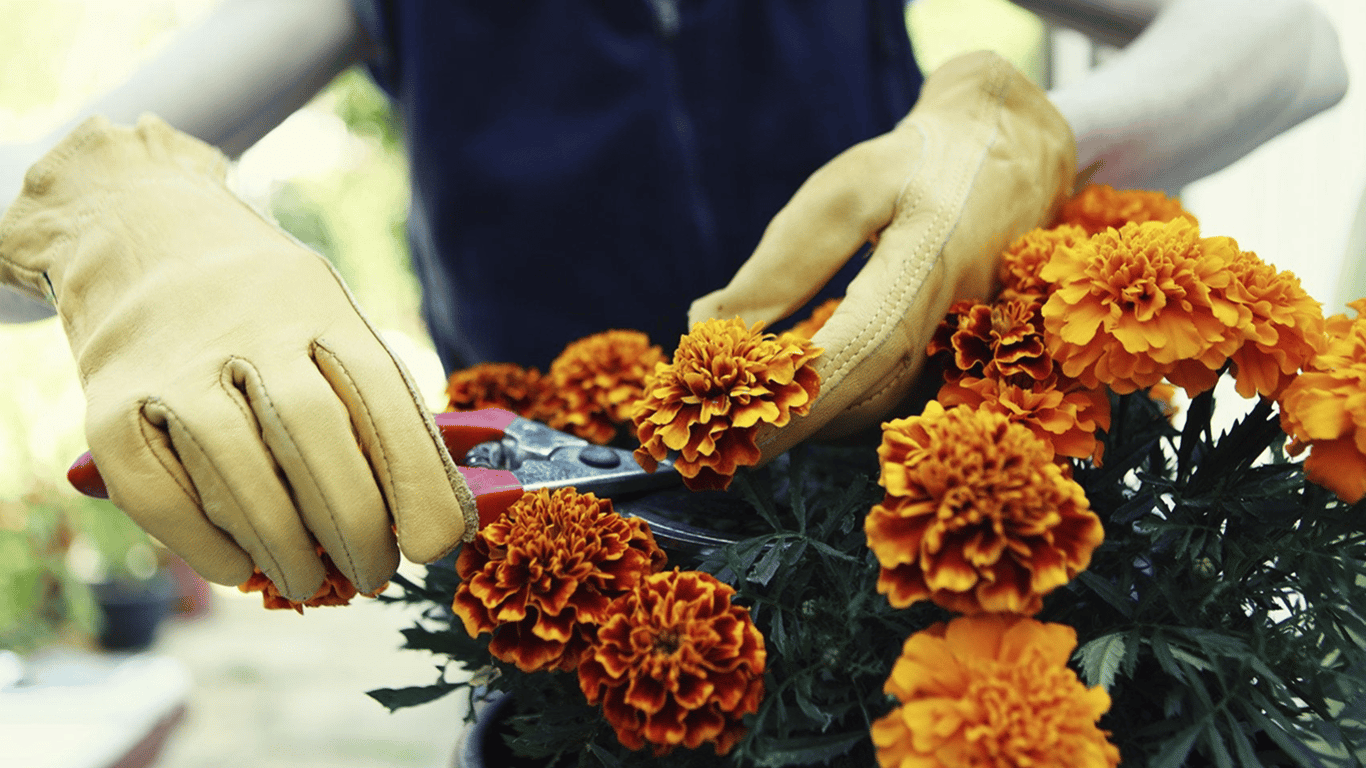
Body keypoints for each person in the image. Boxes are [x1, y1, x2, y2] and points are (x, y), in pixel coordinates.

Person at [0, 0, 1348, 603]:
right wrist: (108, 219)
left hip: (913, 575)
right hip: (566, 622)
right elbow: (25, 188)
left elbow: (1289, 40)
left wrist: (1043, 134)